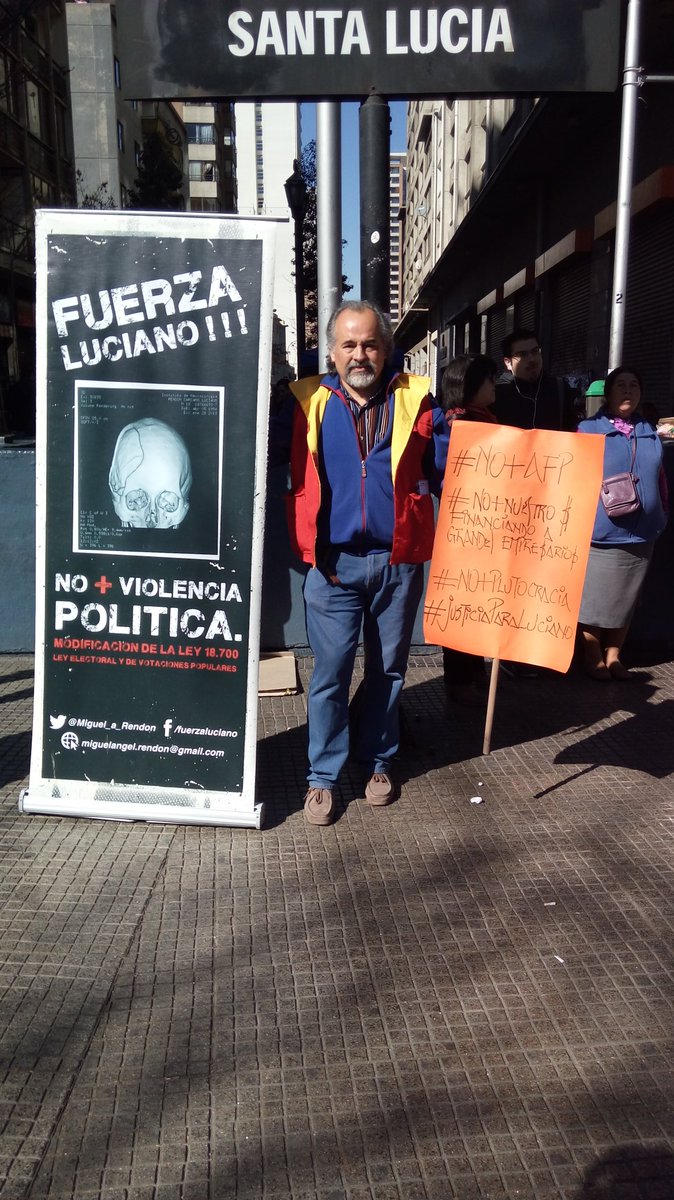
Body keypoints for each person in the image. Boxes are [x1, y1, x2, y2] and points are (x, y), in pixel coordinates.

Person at [282, 300, 449, 826]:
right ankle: (323, 776)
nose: (360, 354)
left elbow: (451, 469)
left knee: (388, 670)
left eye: (370, 344)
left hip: (397, 562)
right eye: (349, 344)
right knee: (329, 674)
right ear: (332, 353)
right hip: (332, 567)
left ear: (386, 348)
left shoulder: (418, 401)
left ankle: (379, 760)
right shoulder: (306, 403)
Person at [577, 367, 667, 680]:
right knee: (594, 600)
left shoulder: (648, 430)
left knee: (627, 600)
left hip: (643, 533)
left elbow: (660, 476)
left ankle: (614, 656)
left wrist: (662, 510)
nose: (628, 391)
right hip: (602, 533)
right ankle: (592, 656)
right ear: (608, 393)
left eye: (634, 385)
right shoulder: (588, 430)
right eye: (621, 385)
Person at [439, 352, 498, 706]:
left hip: (486, 529)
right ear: (470, 385)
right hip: (466, 533)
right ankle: (460, 680)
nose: (494, 384)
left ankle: (473, 673)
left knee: (480, 605)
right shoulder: (457, 425)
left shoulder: (481, 419)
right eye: (489, 379)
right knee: (462, 607)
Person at [493, 328, 577, 432]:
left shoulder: (559, 388)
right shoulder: (497, 393)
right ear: (508, 363)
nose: (532, 359)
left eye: (535, 351)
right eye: (522, 354)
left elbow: (572, 430)